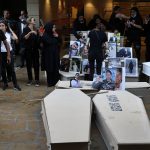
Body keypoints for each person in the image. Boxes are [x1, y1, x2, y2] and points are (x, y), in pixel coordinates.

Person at [0, 20, 21, 91]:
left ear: (6, 27)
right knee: (3, 70)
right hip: (1, 53)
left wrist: (10, 29)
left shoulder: (9, 34)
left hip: (9, 52)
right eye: (0, 26)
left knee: (11, 69)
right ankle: (5, 83)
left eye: (3, 25)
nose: (1, 27)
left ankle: (15, 84)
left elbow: (16, 38)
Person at [41, 22, 61, 87]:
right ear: (50, 28)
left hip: (55, 54)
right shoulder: (45, 35)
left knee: (55, 67)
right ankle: (50, 83)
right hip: (48, 56)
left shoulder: (54, 34)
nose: (55, 28)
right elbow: (50, 42)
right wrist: (56, 38)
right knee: (50, 68)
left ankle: (56, 81)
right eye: (53, 27)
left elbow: (60, 42)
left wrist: (57, 37)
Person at [22, 17, 40, 86]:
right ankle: (30, 80)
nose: (34, 21)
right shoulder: (25, 29)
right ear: (29, 22)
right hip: (28, 50)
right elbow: (24, 38)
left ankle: (37, 80)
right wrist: (30, 32)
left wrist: (38, 35)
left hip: (35, 50)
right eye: (33, 20)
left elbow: (38, 40)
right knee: (29, 65)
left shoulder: (36, 29)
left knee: (36, 65)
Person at [0, 21, 11, 89]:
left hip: (1, 54)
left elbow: (6, 44)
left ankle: (5, 83)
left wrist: (8, 55)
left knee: (2, 69)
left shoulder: (0, 32)